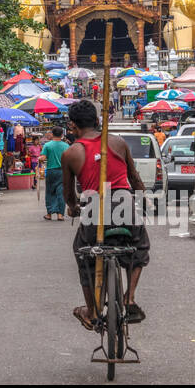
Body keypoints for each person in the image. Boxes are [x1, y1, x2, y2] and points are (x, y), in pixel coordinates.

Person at [62, 99, 150, 331]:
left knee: (83, 253)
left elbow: (69, 194)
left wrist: (72, 207)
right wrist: (142, 200)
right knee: (139, 247)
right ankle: (129, 298)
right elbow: (134, 177)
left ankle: (91, 312)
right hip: (124, 204)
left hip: (93, 208)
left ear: (72, 126)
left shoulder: (71, 153)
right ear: (98, 120)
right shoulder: (118, 142)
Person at [42, 128, 69, 221]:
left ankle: (49, 214)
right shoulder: (66, 146)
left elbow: (43, 158)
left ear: (52, 134)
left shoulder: (47, 145)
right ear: (62, 135)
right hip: (63, 172)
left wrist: (39, 159)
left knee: (50, 192)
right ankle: (60, 215)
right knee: (61, 193)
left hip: (51, 171)